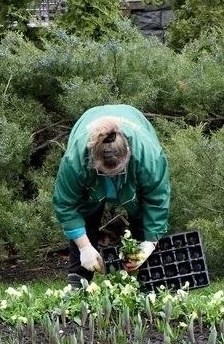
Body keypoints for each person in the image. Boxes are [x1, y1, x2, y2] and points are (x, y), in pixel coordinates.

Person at [52, 104, 171, 288]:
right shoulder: (75, 160)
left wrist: (149, 243)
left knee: (141, 219)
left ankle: (146, 281)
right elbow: (66, 204)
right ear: (93, 159)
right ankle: (78, 280)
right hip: (89, 175)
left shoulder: (149, 157)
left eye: (117, 171)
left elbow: (156, 201)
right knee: (86, 217)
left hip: (136, 136)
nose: (113, 176)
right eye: (106, 172)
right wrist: (84, 247)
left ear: (129, 154)